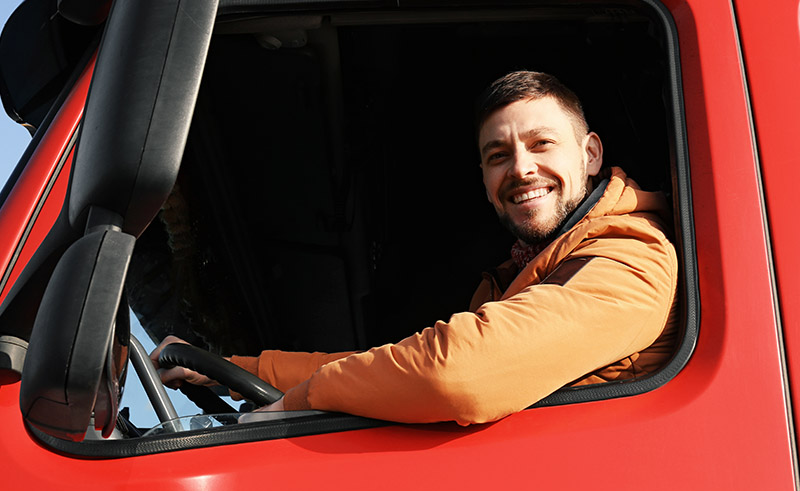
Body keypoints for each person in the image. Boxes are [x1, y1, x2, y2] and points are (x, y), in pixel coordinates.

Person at [151, 70, 679, 426]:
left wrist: (299, 404)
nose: (520, 168)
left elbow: (454, 372)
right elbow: (389, 364)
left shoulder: (631, 255)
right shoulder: (522, 274)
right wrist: (238, 369)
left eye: (542, 144)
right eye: (498, 156)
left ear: (590, 155)